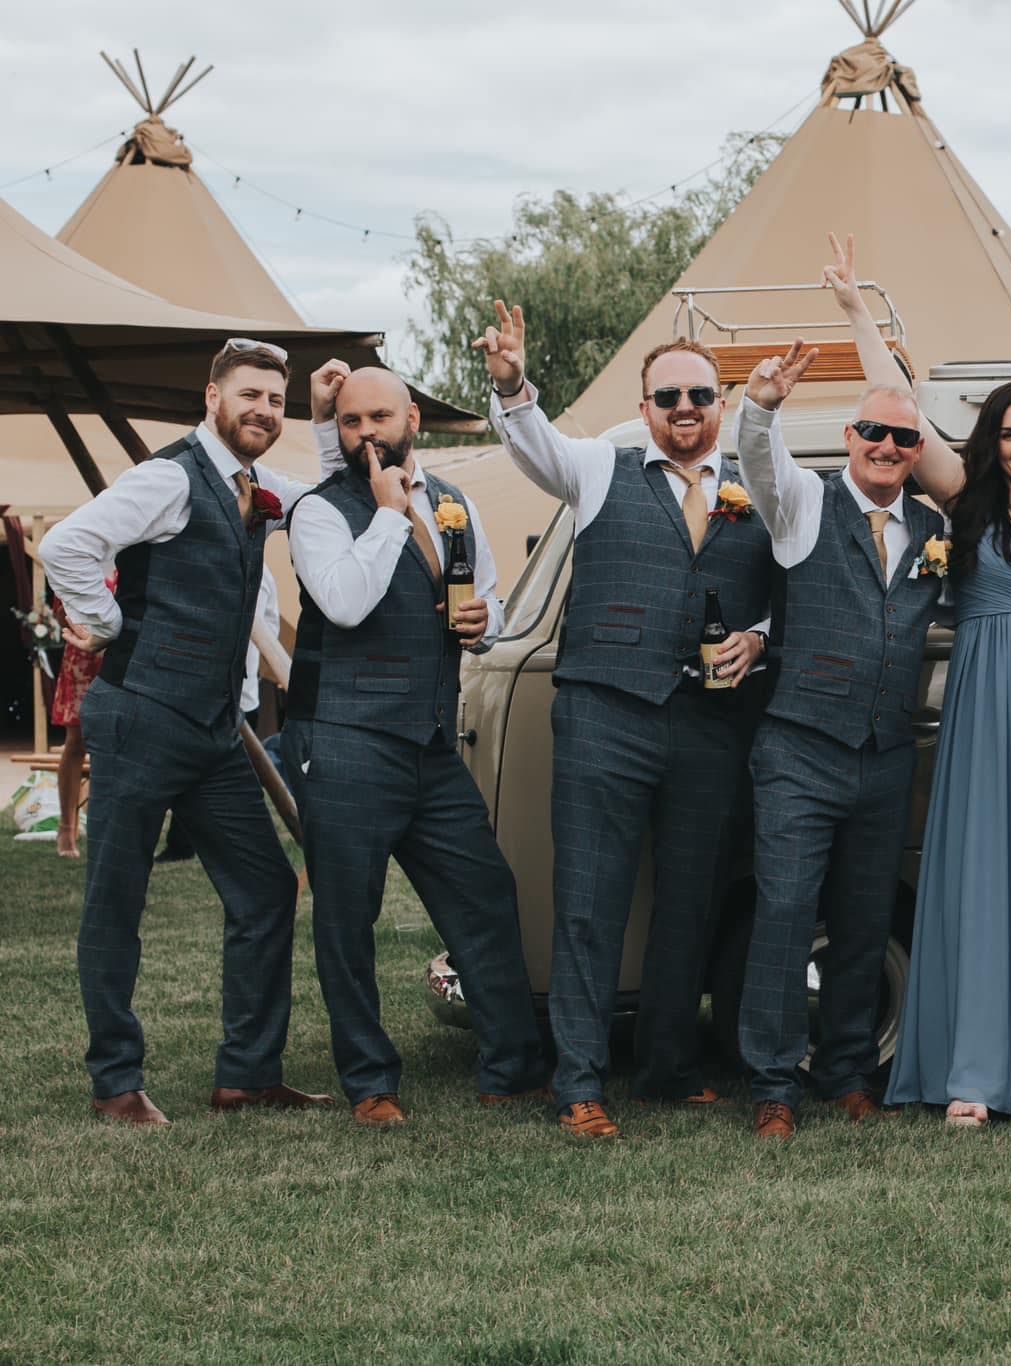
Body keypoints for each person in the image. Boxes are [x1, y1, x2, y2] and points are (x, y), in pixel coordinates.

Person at [817, 235, 1011, 1126]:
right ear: (994, 441)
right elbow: (903, 407)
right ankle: (974, 1075)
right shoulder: (967, 499)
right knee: (982, 878)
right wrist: (856, 311)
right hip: (983, 708)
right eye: (1010, 432)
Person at [479, 302, 776, 1140]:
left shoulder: (760, 484)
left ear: (721, 405)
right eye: (668, 395)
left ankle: (669, 1068)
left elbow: (801, 584)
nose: (685, 408)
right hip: (605, 711)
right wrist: (513, 385)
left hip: (712, 723)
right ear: (645, 406)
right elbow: (533, 442)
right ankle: (578, 1081)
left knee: (690, 898)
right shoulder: (597, 468)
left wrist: (761, 635)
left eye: (700, 395)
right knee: (590, 897)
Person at [40, 338, 333, 1126]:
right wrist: (104, 623)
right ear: (212, 398)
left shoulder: (259, 486)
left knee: (266, 888)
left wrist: (329, 422)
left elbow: (324, 501)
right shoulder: (168, 478)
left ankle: (247, 1075)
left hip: (213, 731)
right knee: (116, 901)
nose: (263, 411)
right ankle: (115, 1083)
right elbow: (66, 544)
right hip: (140, 714)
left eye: (274, 400)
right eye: (249, 395)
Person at [289, 367, 547, 1128]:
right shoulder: (320, 511)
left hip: (431, 741)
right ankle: (370, 1082)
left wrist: (487, 621)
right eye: (349, 422)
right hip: (345, 740)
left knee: (485, 893)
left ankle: (512, 1069)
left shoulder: (454, 501)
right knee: (347, 920)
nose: (365, 432)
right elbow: (345, 603)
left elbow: (490, 594)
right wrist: (389, 515)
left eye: (378, 417)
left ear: (411, 417)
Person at [734, 340, 951, 1140]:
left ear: (918, 451)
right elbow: (759, 462)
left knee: (864, 918)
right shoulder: (804, 503)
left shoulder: (933, 530)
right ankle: (773, 1083)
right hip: (800, 749)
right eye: (873, 432)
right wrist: (761, 406)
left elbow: (969, 591)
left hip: (885, 755)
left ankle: (847, 1072)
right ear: (849, 438)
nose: (887, 446)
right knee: (786, 913)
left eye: (903, 438)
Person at [158, 564, 279, 864]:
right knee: (193, 770)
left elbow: (268, 626)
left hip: (240, 693)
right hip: (206, 690)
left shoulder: (261, 573)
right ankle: (182, 843)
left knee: (235, 776)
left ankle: (224, 843)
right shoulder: (214, 565)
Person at [49, 580, 113, 859]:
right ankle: (67, 828)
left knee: (108, 747)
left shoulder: (125, 564)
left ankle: (102, 827)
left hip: (115, 659)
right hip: (81, 657)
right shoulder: (77, 564)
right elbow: (61, 615)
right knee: (76, 742)